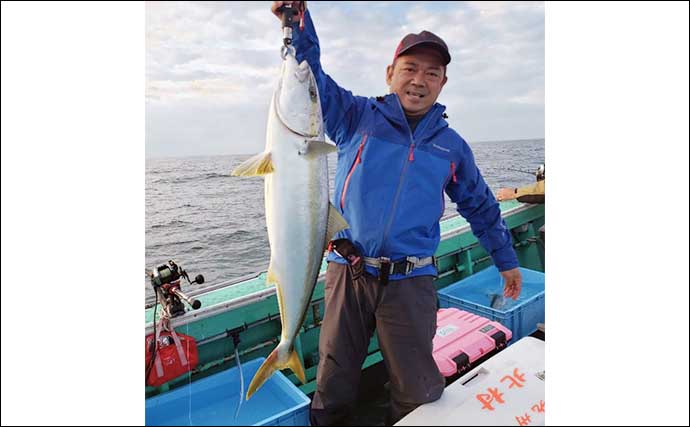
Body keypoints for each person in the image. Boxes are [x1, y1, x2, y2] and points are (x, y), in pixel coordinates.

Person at [270, 2, 523, 425]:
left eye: (431, 73)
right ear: (390, 73)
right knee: (333, 381)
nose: (419, 80)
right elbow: (308, 74)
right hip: (347, 271)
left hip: (411, 279)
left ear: (443, 83)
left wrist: (507, 260)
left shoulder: (451, 146)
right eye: (410, 68)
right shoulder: (355, 117)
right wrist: (296, 23)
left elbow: (479, 205)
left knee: (416, 389)